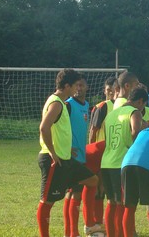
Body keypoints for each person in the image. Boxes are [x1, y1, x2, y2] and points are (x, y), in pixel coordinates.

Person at [36, 68, 98, 237]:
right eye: (74, 85)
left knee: (92, 180)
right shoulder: (56, 102)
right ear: (68, 86)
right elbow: (44, 127)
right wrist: (53, 152)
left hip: (66, 159)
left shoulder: (61, 103)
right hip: (54, 160)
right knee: (47, 201)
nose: (76, 89)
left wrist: (64, 147)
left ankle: (78, 229)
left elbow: (58, 130)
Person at [100, 87, 147, 237]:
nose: (143, 108)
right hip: (121, 162)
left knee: (111, 202)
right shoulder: (134, 112)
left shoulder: (111, 114)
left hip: (106, 161)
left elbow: (107, 138)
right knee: (122, 203)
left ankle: (111, 234)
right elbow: (135, 131)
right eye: (143, 105)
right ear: (140, 101)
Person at [84, 76, 118, 236]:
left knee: (105, 189)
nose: (111, 92)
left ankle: (102, 223)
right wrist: (92, 153)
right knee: (96, 188)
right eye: (109, 89)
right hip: (99, 154)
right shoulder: (102, 106)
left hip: (112, 154)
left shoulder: (120, 106)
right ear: (105, 90)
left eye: (114, 89)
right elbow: (93, 131)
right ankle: (94, 224)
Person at [63, 77, 90, 237]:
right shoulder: (68, 105)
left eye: (81, 85)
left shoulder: (87, 106)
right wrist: (66, 147)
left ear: (87, 87)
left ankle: (70, 232)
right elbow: (58, 126)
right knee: (76, 192)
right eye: (76, 85)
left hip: (81, 154)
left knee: (72, 192)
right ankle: (73, 233)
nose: (79, 88)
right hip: (71, 155)